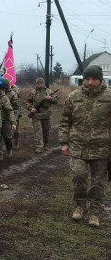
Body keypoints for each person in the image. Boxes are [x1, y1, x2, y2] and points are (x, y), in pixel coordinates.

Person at [59, 65, 111, 228]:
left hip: (102, 147)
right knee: (79, 177)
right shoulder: (74, 97)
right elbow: (65, 121)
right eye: (87, 79)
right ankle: (81, 206)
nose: (90, 82)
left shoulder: (109, 97)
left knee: (98, 183)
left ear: (100, 80)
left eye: (94, 79)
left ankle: (95, 212)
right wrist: (64, 142)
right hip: (77, 146)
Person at [26, 78, 58, 153]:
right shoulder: (33, 92)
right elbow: (28, 101)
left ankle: (45, 144)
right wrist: (30, 108)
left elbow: (56, 101)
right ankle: (39, 147)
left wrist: (50, 99)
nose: (39, 85)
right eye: (38, 84)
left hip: (46, 114)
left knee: (46, 131)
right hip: (36, 115)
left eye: (41, 84)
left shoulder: (49, 91)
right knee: (38, 131)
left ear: (44, 84)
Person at [0, 84, 17, 168]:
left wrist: (13, 122)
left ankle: (9, 148)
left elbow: (10, 111)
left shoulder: (4, 98)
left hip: (5, 120)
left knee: (7, 137)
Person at [3, 79, 22, 149]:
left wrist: (15, 118)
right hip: (4, 115)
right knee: (6, 131)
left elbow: (16, 106)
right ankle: (6, 145)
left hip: (14, 112)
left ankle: (16, 142)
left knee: (15, 130)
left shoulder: (15, 90)